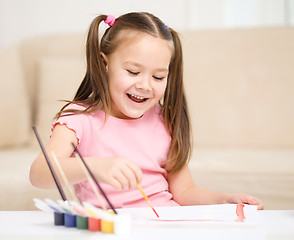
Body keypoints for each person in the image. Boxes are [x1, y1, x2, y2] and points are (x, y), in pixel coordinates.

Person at [30, 12, 264, 210]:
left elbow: (185, 191)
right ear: (104, 64)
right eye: (133, 71)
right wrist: (93, 166)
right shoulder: (79, 119)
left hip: (166, 225)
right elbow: (39, 174)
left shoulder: (163, 119)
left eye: (158, 76)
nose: (145, 85)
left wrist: (224, 200)